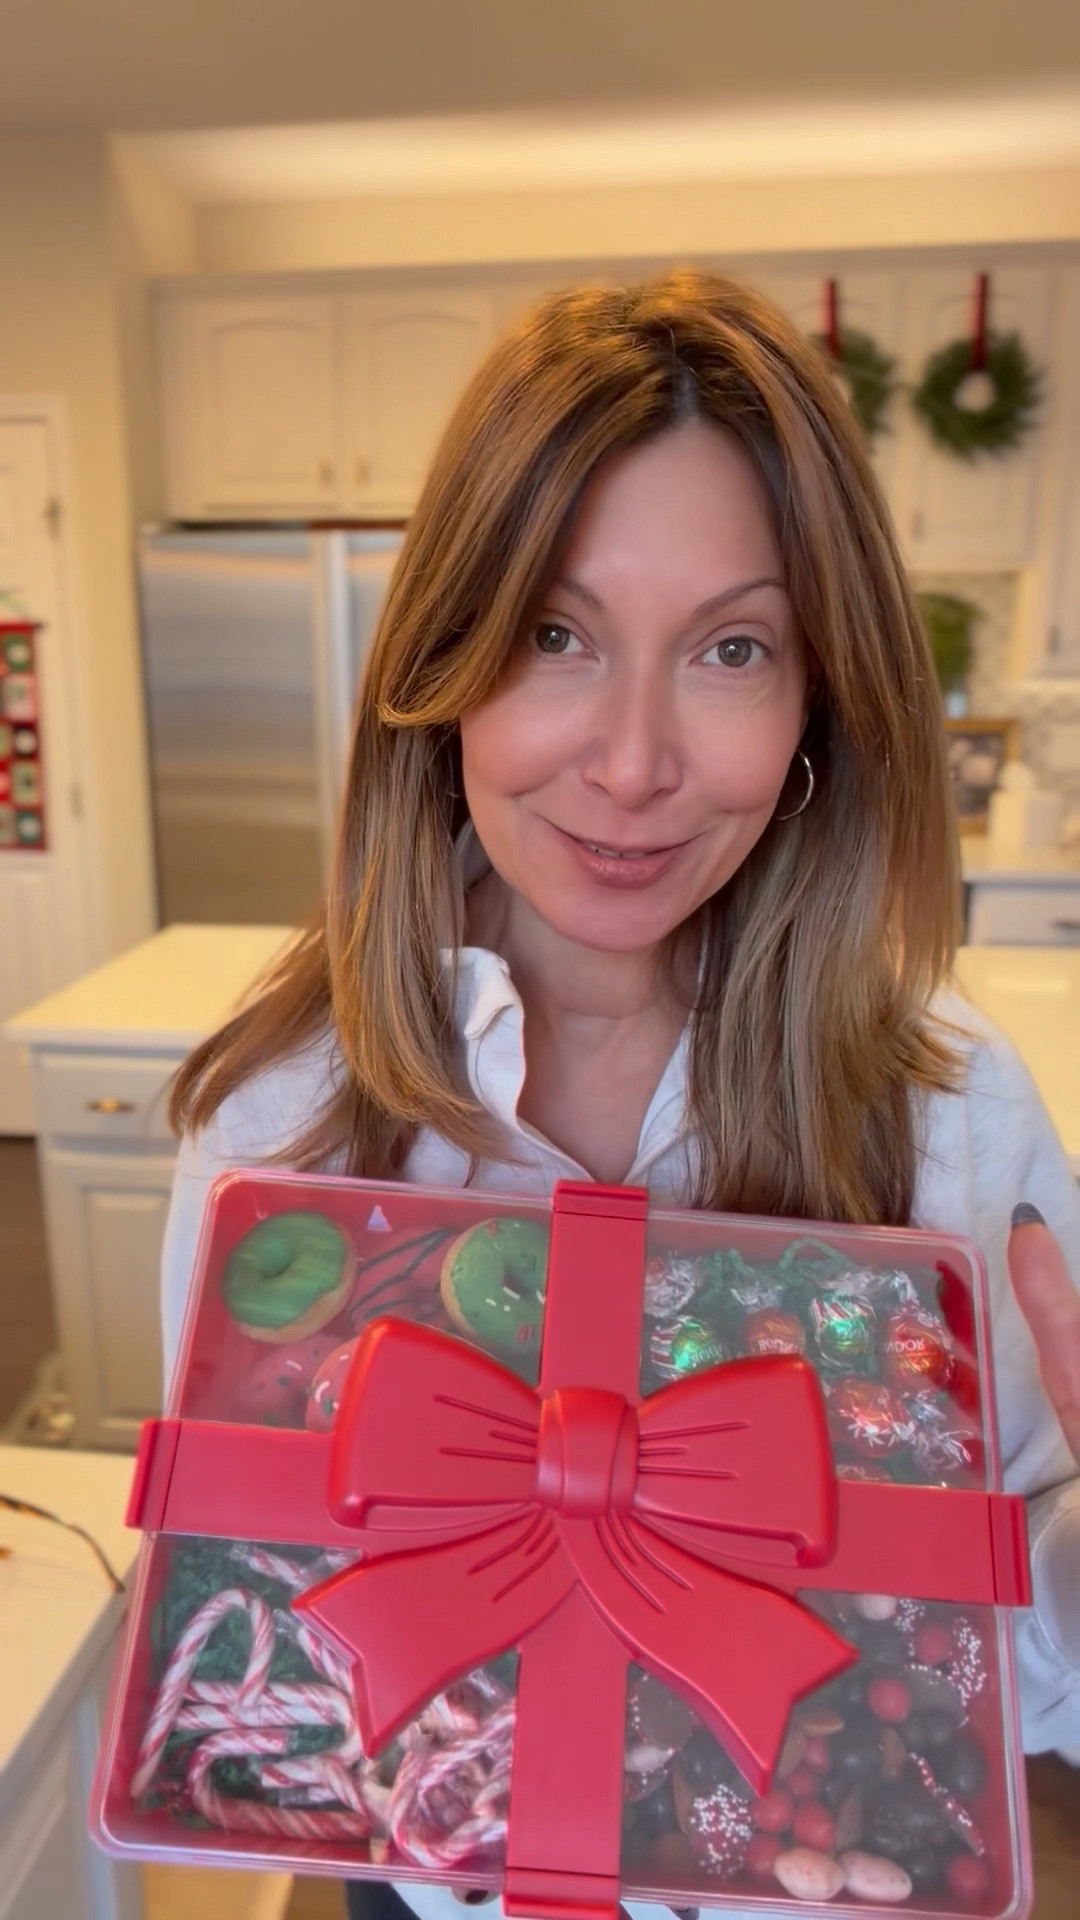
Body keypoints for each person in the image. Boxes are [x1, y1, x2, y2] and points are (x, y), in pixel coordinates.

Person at [159, 271, 1080, 1920]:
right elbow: (248, 1581)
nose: (636, 762)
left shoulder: (950, 1113)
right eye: (554, 634)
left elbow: (1018, 1618)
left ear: (817, 697)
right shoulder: (280, 1116)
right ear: (443, 661)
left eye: (731, 648)